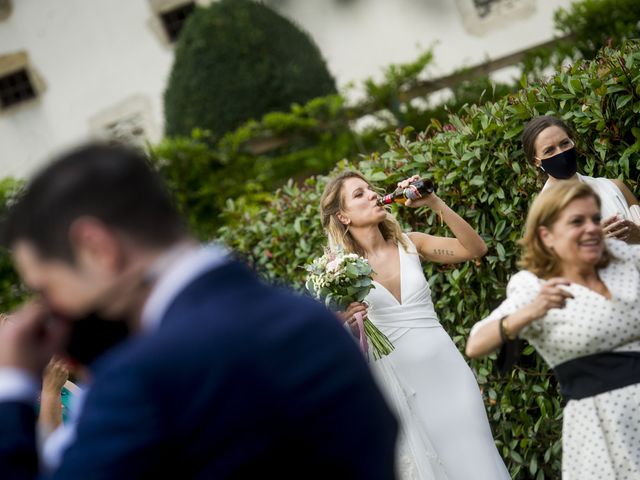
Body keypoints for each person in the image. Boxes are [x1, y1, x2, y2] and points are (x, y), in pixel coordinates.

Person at [0, 144, 398, 479]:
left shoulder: (140, 379)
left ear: (96, 248)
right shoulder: (309, 320)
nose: (48, 309)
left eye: (46, 287)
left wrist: (12, 384)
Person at [320, 172, 510, 480]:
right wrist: (347, 319)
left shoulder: (411, 243)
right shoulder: (338, 271)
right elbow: (332, 343)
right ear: (343, 216)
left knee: (478, 459)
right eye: (359, 194)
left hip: (448, 373)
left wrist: (434, 202)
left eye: (370, 189)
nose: (371, 195)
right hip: (399, 385)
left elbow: (476, 249)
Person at [466, 181, 640, 479]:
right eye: (576, 221)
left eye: (595, 219)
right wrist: (531, 312)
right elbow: (476, 344)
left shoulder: (625, 259)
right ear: (547, 235)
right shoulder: (534, 285)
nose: (591, 228)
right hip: (603, 427)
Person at [522, 115, 640, 243]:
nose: (561, 152)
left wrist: (635, 235)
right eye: (549, 150)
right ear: (536, 162)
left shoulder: (616, 187)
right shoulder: (542, 217)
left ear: (573, 142)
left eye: (564, 143)